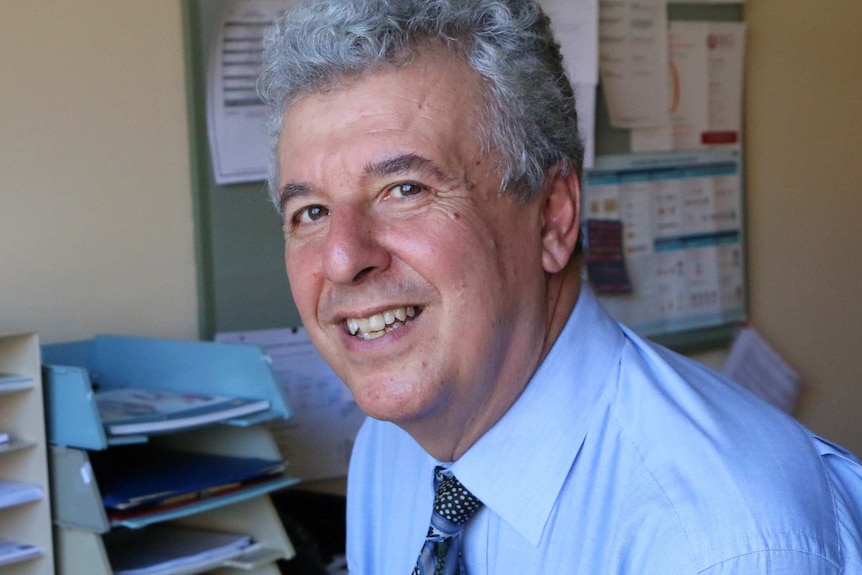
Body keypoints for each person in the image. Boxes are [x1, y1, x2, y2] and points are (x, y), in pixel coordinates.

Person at [258, 0, 862, 573]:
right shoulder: (388, 453)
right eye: (310, 212)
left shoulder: (727, 543)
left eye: (406, 189)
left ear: (552, 217)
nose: (342, 260)